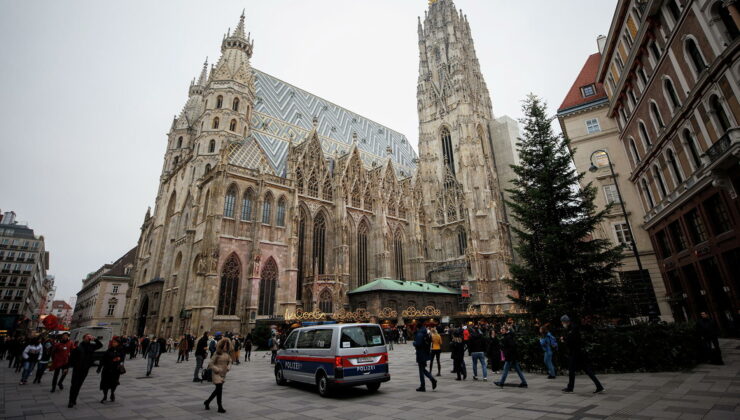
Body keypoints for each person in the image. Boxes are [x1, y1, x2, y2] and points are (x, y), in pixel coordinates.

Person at [560, 315, 603, 394]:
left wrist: (564, 340)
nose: (562, 323)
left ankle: (570, 388)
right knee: (586, 370)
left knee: (572, 370)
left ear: (566, 321)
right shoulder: (571, 328)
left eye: (562, 322)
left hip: (575, 353)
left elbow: (572, 341)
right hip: (578, 352)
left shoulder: (573, 329)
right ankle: (599, 386)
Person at [68, 334, 103, 408]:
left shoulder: (91, 346)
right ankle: (71, 400)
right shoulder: (78, 347)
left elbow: (100, 345)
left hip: (85, 369)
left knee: (79, 385)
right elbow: (72, 357)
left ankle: (74, 399)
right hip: (77, 368)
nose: (89, 337)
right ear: (83, 338)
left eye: (90, 336)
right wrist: (70, 366)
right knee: (74, 384)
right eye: (87, 336)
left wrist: (95, 339)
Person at [204, 338, 232, 413]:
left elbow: (230, 361)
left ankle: (207, 402)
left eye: (227, 345)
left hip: (223, 374)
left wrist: (229, 366)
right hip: (216, 373)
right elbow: (210, 363)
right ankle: (220, 407)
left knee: (217, 390)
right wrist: (216, 369)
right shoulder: (217, 353)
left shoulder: (227, 354)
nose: (226, 346)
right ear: (222, 345)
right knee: (219, 389)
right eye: (225, 345)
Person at [100, 337, 125, 403]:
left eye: (115, 342)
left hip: (115, 370)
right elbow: (104, 358)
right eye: (113, 342)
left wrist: (119, 360)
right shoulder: (109, 349)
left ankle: (112, 393)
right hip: (107, 369)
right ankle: (105, 396)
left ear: (118, 343)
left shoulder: (121, 350)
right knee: (104, 383)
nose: (113, 343)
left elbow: (122, 359)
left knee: (114, 383)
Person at [413, 325, 437, 392]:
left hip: (421, 354)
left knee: (421, 370)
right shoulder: (425, 332)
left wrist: (414, 343)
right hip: (425, 353)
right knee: (423, 369)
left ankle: (423, 385)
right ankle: (431, 380)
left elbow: (418, 344)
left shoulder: (420, 334)